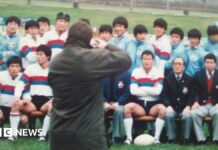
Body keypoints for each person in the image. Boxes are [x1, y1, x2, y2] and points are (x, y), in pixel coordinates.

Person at [48, 21, 131, 150]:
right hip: (88, 133)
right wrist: (106, 45)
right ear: (88, 39)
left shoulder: (55, 61)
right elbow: (125, 59)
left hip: (59, 130)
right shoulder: (89, 58)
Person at [8, 45, 53, 141]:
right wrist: (17, 97)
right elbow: (21, 83)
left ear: (48, 56)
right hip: (32, 101)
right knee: (16, 104)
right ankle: (13, 135)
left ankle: (43, 135)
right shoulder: (31, 68)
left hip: (47, 101)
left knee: (52, 106)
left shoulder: (54, 69)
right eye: (37, 54)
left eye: (41, 54)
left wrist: (53, 100)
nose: (38, 56)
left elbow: (59, 88)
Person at [123, 51, 165, 144]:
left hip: (154, 104)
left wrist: (141, 87)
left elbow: (158, 92)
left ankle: (156, 139)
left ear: (153, 60)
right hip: (140, 104)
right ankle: (129, 138)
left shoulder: (159, 72)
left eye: (149, 59)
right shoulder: (136, 71)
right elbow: (133, 91)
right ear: (141, 60)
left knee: (162, 109)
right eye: (144, 59)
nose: (146, 61)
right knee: (127, 108)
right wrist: (151, 88)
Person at [163, 57, 193, 144]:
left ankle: (186, 138)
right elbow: (164, 95)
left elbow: (192, 96)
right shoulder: (167, 79)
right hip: (172, 107)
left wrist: (188, 107)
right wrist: (168, 105)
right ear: (172, 66)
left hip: (184, 107)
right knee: (169, 115)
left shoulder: (189, 79)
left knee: (187, 116)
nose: (177, 66)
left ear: (184, 66)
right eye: (175, 64)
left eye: (180, 64)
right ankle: (171, 138)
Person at [191, 53, 218, 144]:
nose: (209, 64)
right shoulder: (198, 75)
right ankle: (201, 139)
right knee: (194, 113)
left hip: (215, 105)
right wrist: (195, 102)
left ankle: (216, 139)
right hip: (202, 104)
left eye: (211, 62)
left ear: (215, 64)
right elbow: (194, 91)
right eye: (207, 62)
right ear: (204, 63)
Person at [103, 71, 131, 144]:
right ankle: (101, 135)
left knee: (118, 110)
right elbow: (97, 91)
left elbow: (127, 92)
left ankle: (115, 136)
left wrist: (118, 102)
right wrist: (104, 102)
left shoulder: (126, 74)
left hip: (121, 103)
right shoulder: (102, 74)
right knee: (100, 110)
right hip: (106, 102)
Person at [0, 56, 28, 128]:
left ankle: (18, 130)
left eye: (17, 66)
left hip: (16, 108)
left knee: (24, 119)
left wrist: (25, 100)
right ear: (8, 67)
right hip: (2, 107)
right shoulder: (1, 76)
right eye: (12, 66)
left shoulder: (23, 78)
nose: (14, 69)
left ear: (20, 68)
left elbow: (26, 94)